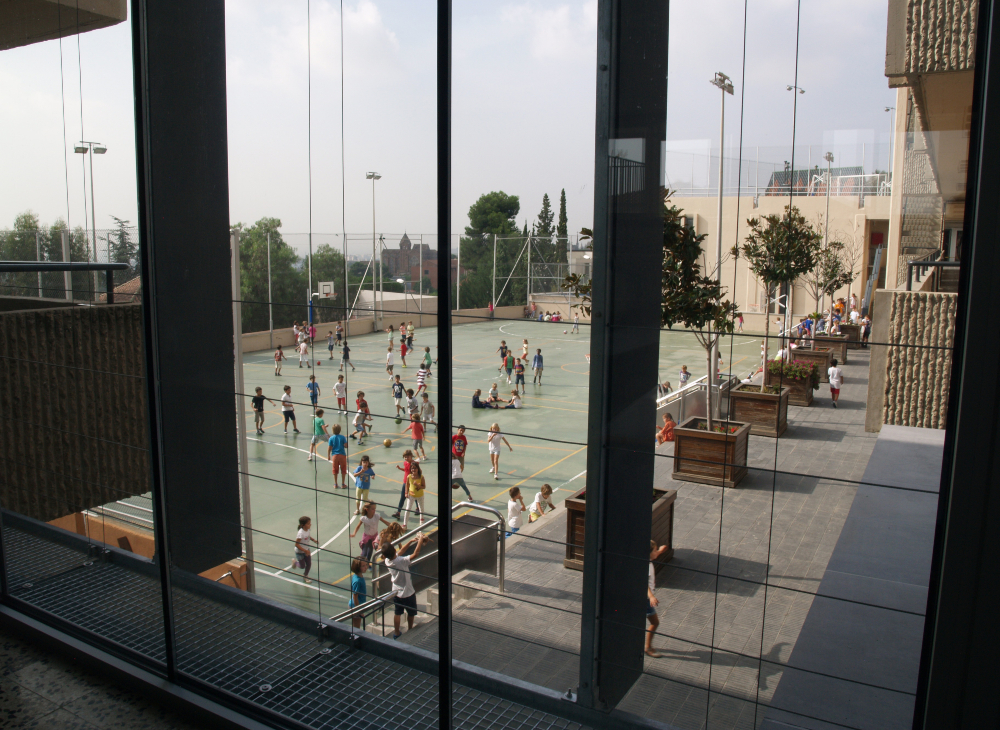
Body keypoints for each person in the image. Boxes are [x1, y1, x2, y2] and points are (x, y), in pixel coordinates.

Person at [382, 532, 430, 639]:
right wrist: (420, 540)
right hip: (408, 591)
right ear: (394, 550)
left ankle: (397, 632)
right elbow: (415, 554)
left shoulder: (387, 561)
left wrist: (410, 541)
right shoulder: (401, 561)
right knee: (411, 612)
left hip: (396, 591)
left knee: (398, 612)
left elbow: (400, 552)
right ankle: (410, 629)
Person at [646, 540, 671, 657]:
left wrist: (660, 550)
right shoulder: (646, 566)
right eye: (655, 550)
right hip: (645, 600)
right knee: (655, 622)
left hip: (645, 599)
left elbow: (653, 555)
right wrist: (651, 596)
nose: (656, 552)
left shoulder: (647, 560)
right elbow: (643, 583)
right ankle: (648, 647)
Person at [393, 449, 416, 520]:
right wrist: (400, 468)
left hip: (412, 483)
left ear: (411, 456)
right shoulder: (405, 463)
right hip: (405, 482)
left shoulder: (414, 464)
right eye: (405, 457)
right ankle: (398, 512)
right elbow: (406, 470)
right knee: (402, 497)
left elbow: (416, 472)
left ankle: (418, 508)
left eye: (408, 457)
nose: (406, 458)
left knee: (415, 496)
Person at [294, 516, 318, 584]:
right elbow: (296, 544)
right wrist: (305, 551)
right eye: (308, 524)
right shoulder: (300, 533)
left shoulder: (307, 530)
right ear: (303, 525)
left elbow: (308, 536)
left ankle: (305, 576)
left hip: (306, 550)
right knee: (302, 566)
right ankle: (295, 562)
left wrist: (313, 540)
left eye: (310, 523)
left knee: (309, 564)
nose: (310, 525)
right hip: (300, 552)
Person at [403, 462, 426, 529]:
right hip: (411, 495)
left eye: (415, 468)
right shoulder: (409, 476)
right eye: (412, 468)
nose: (413, 470)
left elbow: (424, 486)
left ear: (418, 469)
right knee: (407, 509)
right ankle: (405, 524)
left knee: (421, 509)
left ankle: (421, 521)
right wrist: (406, 493)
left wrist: (417, 485)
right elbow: (407, 485)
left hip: (420, 495)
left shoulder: (421, 477)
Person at [347, 557, 368, 629]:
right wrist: (359, 610)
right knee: (356, 627)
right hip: (355, 606)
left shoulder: (359, 576)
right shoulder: (357, 581)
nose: (366, 567)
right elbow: (355, 596)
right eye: (363, 566)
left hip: (358, 605)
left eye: (366, 565)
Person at [326, 423, 348, 488]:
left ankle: (335, 484)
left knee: (335, 469)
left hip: (335, 455)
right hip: (342, 455)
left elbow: (329, 448)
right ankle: (343, 484)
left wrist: (328, 456)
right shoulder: (343, 437)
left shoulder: (331, 438)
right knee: (343, 469)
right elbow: (346, 446)